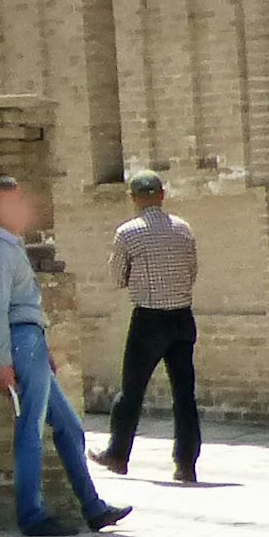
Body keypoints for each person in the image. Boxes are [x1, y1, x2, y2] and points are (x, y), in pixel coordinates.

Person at [0, 171, 129, 537]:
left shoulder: (13, 247)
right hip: (20, 342)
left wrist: (42, 348)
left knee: (69, 427)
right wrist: (4, 362)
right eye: (6, 203)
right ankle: (32, 515)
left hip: (32, 341)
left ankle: (93, 509)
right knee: (30, 430)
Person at [99, 169, 203, 483]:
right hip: (182, 317)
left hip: (148, 319)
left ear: (134, 199)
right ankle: (186, 463)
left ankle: (118, 454)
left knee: (132, 390)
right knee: (184, 393)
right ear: (161, 195)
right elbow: (192, 271)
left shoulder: (128, 233)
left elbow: (117, 278)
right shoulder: (183, 229)